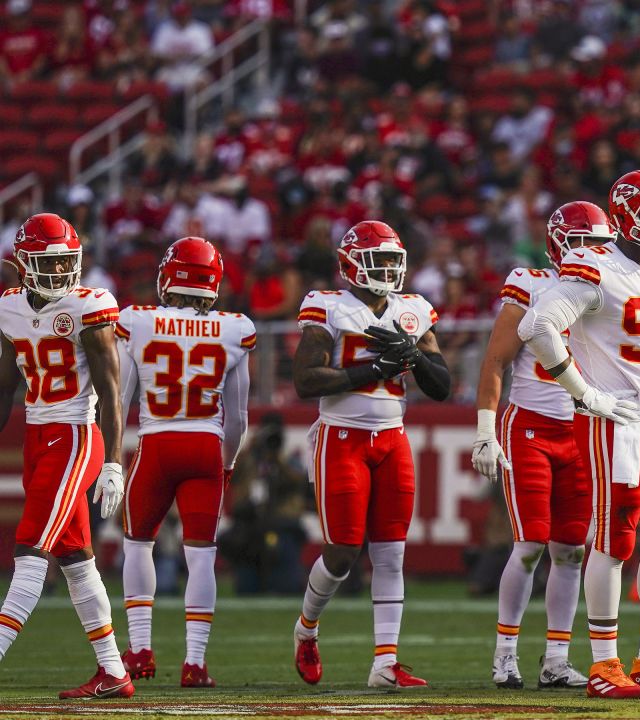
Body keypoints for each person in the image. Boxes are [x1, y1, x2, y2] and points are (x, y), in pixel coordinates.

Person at [517, 170, 640, 699]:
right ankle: (605, 663)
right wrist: (583, 394)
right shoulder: (594, 266)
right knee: (615, 537)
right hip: (617, 420)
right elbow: (535, 327)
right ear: (625, 218)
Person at [291, 221, 451, 688]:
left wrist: (415, 357)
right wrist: (371, 370)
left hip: (393, 438)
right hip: (342, 436)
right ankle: (307, 629)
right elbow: (306, 380)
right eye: (377, 260)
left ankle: (385, 662)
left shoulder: (413, 309)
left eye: (391, 260)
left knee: (391, 554)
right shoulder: (330, 308)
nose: (386, 269)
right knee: (342, 552)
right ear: (350, 265)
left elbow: (442, 386)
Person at [471, 202, 614, 690]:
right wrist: (486, 430)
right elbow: (495, 361)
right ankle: (505, 653)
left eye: (600, 244)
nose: (593, 253)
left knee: (571, 550)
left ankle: (556, 659)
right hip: (530, 425)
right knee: (530, 544)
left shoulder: (611, 284)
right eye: (584, 243)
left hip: (581, 430)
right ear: (558, 244)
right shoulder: (530, 282)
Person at [0, 214, 132, 699]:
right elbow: (4, 389)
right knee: (76, 559)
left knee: (30, 552)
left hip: (75, 435)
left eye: (64, 262)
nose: (59, 273)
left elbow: (111, 393)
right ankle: (115, 672)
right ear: (22, 266)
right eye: (47, 263)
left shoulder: (89, 305)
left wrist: (114, 461)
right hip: (36, 438)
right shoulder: (9, 308)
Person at [116, 237, 255, 688]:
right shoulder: (234, 329)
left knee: (138, 544)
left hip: (156, 445)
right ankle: (195, 663)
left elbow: (119, 400)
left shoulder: (137, 321)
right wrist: (228, 461)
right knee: (201, 557)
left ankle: (139, 651)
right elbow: (237, 417)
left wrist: (111, 459)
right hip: (204, 447)